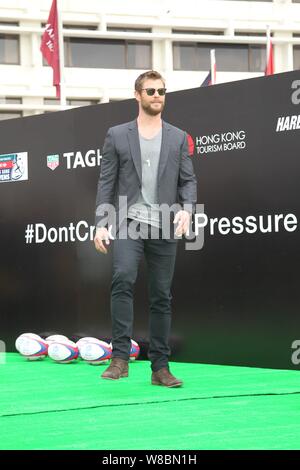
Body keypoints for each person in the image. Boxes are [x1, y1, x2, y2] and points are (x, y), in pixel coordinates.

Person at [94, 70, 197, 387]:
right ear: (137, 95)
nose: (157, 96)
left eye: (162, 91)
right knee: (123, 277)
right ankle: (120, 358)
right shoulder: (117, 135)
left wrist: (188, 210)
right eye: (150, 90)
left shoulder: (178, 137)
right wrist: (101, 223)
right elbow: (106, 182)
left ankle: (160, 368)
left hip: (164, 225)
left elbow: (188, 180)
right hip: (128, 222)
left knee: (161, 296)